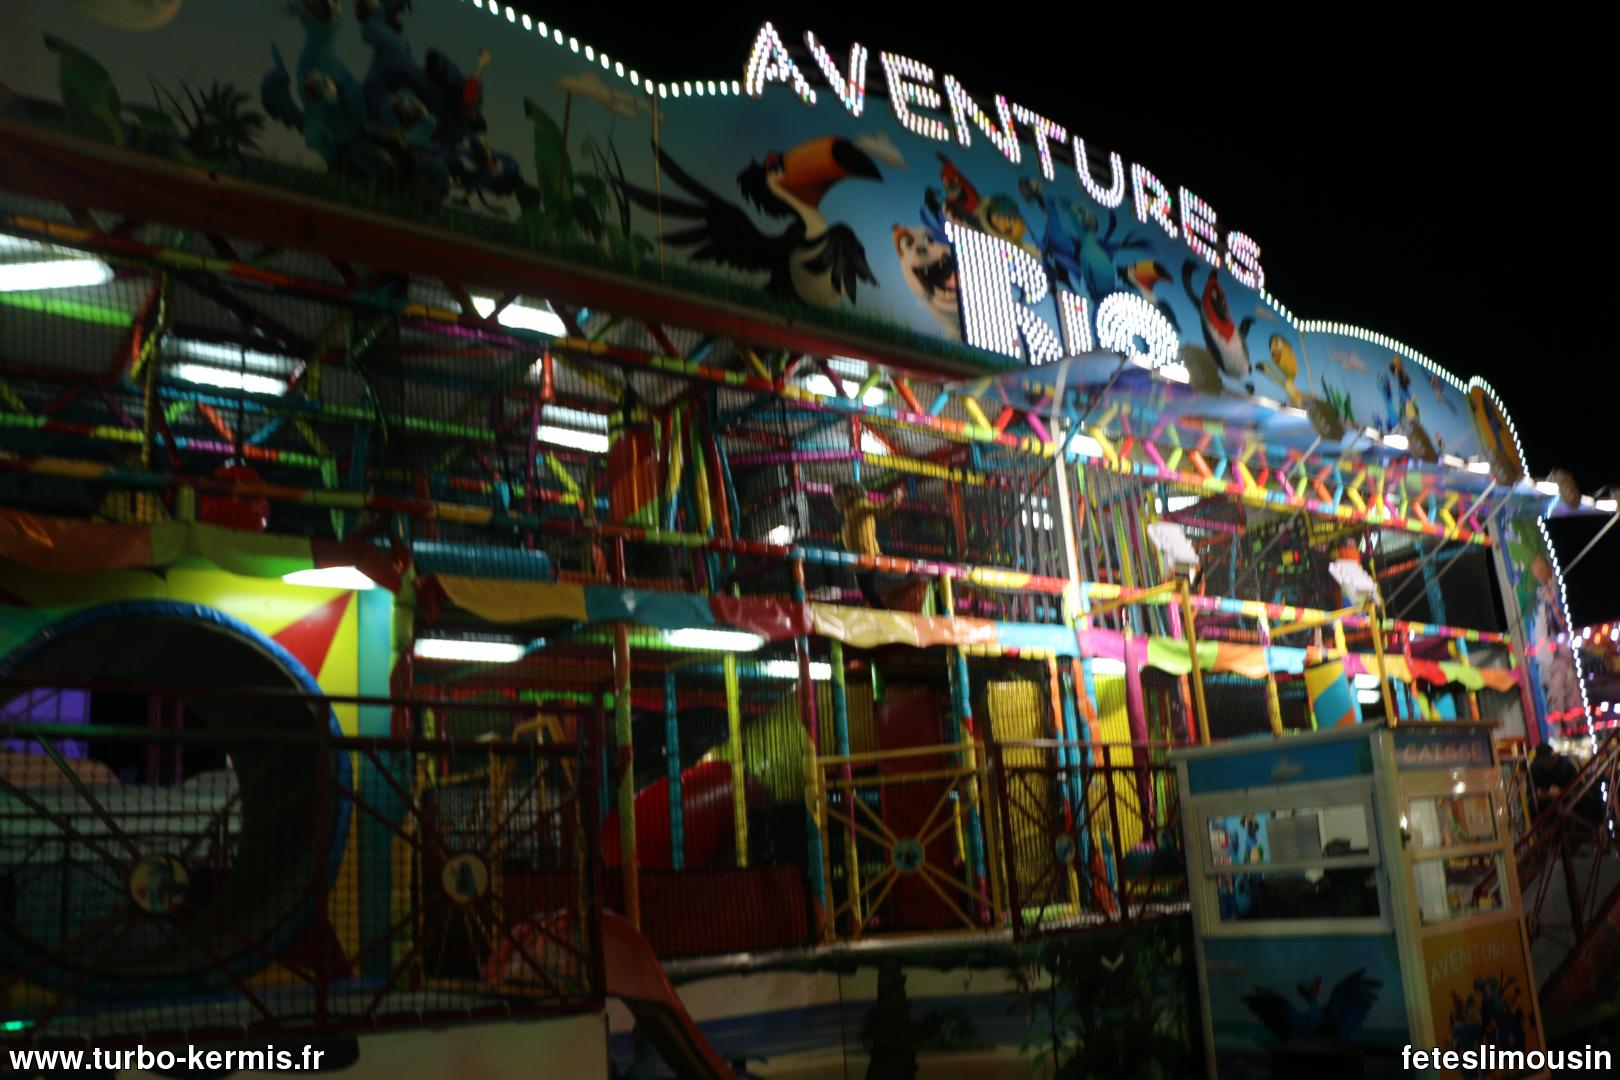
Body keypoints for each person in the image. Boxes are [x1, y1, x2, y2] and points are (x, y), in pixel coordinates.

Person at [832, 481, 904, 608]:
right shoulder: (849, 511)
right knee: (866, 589)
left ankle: (882, 611)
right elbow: (855, 528)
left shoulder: (860, 505)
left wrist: (893, 498)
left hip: (868, 556)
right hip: (859, 558)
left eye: (837, 496)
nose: (835, 500)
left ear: (849, 494)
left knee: (867, 589)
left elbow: (880, 510)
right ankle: (876, 608)